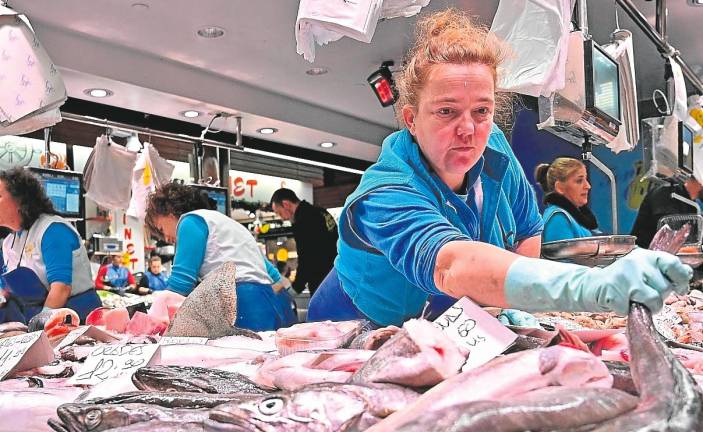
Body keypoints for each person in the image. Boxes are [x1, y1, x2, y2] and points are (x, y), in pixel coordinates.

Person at [306, 9, 692, 327]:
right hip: (358, 324)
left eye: (482, 111)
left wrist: (517, 305)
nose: (468, 130)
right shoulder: (386, 192)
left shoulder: (495, 150)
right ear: (410, 118)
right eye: (446, 111)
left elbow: (527, 227)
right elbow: (451, 265)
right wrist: (591, 286)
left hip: (451, 323)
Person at [146, 182, 296, 331]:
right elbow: (273, 274)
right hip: (275, 302)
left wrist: (151, 321)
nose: (165, 238)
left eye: (161, 229)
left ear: (169, 212)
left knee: (249, 354)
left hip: (243, 304)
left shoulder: (189, 222)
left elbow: (180, 285)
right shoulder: (226, 223)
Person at [0, 168, 101, 323]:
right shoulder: (9, 243)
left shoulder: (52, 230)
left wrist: (41, 325)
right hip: (36, 315)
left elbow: (61, 289)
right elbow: (8, 291)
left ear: (20, 199)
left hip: (76, 317)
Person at [270, 188, 338, 296]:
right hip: (337, 278)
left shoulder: (304, 220)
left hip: (322, 285)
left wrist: (296, 287)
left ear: (286, 204)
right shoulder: (321, 212)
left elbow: (307, 257)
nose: (282, 218)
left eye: (279, 212)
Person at [534, 157, 600, 242]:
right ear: (560, 187)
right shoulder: (558, 218)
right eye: (579, 181)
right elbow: (562, 255)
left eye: (586, 179)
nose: (588, 186)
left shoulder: (569, 216)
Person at [631, 175, 703, 248]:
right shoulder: (666, 195)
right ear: (700, 182)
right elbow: (671, 237)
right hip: (645, 256)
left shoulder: (691, 204)